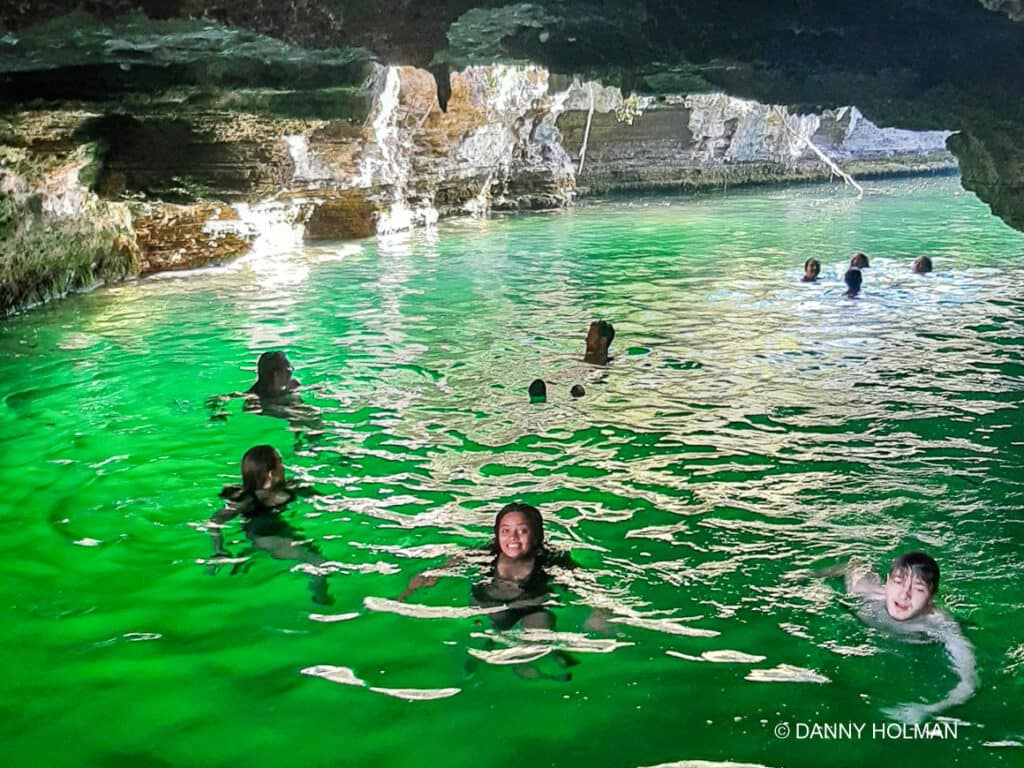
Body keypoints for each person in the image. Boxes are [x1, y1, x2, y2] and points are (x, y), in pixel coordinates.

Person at [399, 502, 583, 680]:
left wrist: (600, 610)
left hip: (531, 606)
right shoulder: (485, 554)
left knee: (543, 623)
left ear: (536, 536)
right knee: (490, 629)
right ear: (497, 534)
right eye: (506, 531)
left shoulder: (550, 559)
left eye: (522, 530)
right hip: (491, 608)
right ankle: (497, 646)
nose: (513, 537)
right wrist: (405, 595)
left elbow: (583, 583)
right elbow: (440, 569)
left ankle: (536, 653)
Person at [823, 551, 977, 722]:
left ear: (931, 598)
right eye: (898, 582)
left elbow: (967, 682)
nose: (904, 595)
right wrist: (810, 576)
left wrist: (928, 710)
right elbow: (851, 566)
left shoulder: (940, 624)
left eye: (918, 589)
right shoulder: (865, 591)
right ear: (887, 583)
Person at [207, 445, 330, 604]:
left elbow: (326, 499)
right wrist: (219, 550)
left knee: (314, 555)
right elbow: (214, 521)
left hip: (282, 529)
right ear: (271, 474)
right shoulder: (248, 500)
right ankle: (321, 601)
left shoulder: (290, 487)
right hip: (264, 536)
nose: (284, 467)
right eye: (280, 463)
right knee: (318, 562)